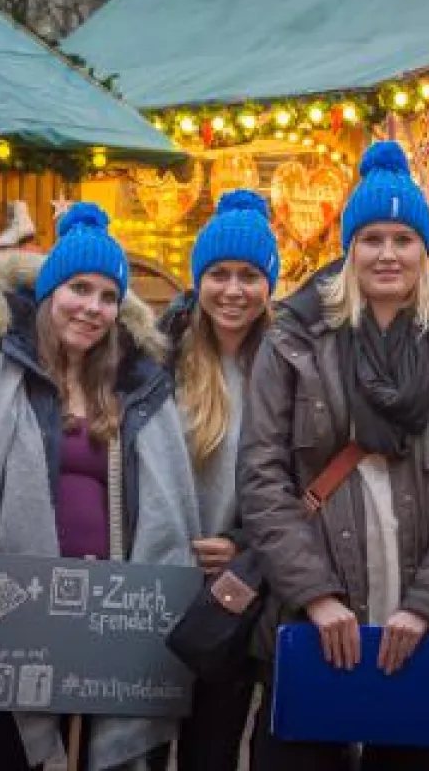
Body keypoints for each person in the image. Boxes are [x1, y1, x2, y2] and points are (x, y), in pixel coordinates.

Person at [0, 203, 198, 770]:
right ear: (49, 290)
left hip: (115, 626)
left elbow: (171, 499)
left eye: (109, 296)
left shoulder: (139, 382)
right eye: (79, 288)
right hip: (13, 621)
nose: (93, 307)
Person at [239, 141, 429, 771]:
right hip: (313, 618)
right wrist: (315, 594)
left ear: (426, 250)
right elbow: (262, 477)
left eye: (402, 238)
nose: (387, 254)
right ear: (348, 250)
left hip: (420, 627)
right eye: (370, 238)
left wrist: (424, 606)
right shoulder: (293, 348)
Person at [157, 189, 280, 770]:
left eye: (250, 275)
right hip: (157, 578)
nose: (234, 291)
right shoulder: (161, 359)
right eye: (220, 274)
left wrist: (243, 547)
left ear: (269, 285)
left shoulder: (287, 365)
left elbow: (299, 484)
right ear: (198, 280)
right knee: (142, 742)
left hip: (237, 588)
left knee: (212, 746)